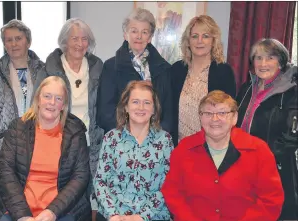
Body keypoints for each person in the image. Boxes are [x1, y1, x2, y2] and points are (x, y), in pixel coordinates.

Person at [161, 90, 284, 221]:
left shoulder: (259, 150)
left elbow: (271, 200)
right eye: (208, 113)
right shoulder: (184, 149)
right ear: (200, 117)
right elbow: (172, 192)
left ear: (235, 117)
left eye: (222, 113)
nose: (215, 119)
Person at [0, 76, 91, 221]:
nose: (52, 102)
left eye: (58, 98)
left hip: (61, 210)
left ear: (64, 105)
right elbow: (6, 174)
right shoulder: (17, 128)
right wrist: (23, 216)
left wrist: (51, 212)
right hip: (17, 209)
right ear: (38, 99)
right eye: (47, 96)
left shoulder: (75, 133)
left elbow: (80, 177)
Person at [34, 18, 103, 219]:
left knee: (91, 192)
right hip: (62, 141)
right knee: (65, 190)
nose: (79, 44)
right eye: (74, 38)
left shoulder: (97, 66)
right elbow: (37, 104)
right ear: (64, 41)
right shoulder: (49, 68)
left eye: (84, 39)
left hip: (93, 141)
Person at [236, 38, 298, 220]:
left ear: (280, 61)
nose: (263, 64)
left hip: (275, 169)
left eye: (269, 58)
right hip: (242, 166)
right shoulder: (248, 87)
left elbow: (292, 136)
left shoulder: (291, 91)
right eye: (258, 58)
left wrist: (263, 158)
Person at [94, 81, 173, 221]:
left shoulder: (165, 140)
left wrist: (141, 217)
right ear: (126, 106)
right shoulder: (111, 138)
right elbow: (101, 181)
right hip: (114, 216)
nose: (141, 107)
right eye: (135, 102)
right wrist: (113, 215)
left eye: (147, 103)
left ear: (154, 109)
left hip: (153, 216)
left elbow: (168, 184)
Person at [0, 19, 44, 183]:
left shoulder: (44, 72)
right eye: (9, 40)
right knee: (8, 200)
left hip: (38, 147)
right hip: (6, 149)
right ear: (4, 44)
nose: (14, 44)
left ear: (28, 41)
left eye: (18, 38)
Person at [96, 8, 174, 140]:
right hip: (121, 141)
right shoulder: (110, 67)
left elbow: (169, 113)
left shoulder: (164, 68)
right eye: (134, 31)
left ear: (150, 37)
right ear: (125, 35)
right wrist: (132, 136)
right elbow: (105, 113)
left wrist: (155, 137)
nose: (139, 36)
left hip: (156, 143)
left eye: (144, 32)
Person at [170, 15, 236, 144]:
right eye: (194, 36)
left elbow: (229, 113)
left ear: (213, 41)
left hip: (211, 147)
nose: (199, 41)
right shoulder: (176, 70)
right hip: (178, 147)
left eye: (205, 36)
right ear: (188, 41)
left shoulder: (223, 71)